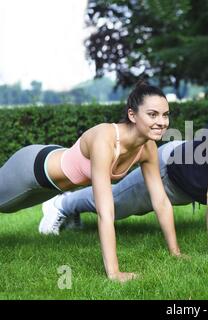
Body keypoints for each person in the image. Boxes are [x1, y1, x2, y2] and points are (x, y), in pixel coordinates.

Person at [41, 70, 208, 266]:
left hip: (190, 181)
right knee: (115, 205)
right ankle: (62, 204)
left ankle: (69, 208)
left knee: (117, 206)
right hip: (169, 171)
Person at [0, 81, 183, 282]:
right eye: (153, 114)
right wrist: (114, 273)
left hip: (51, 188)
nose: (162, 122)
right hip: (31, 170)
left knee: (9, 209)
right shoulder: (105, 139)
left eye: (165, 115)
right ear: (132, 115)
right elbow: (105, 211)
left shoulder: (147, 147)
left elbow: (161, 201)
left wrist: (176, 253)